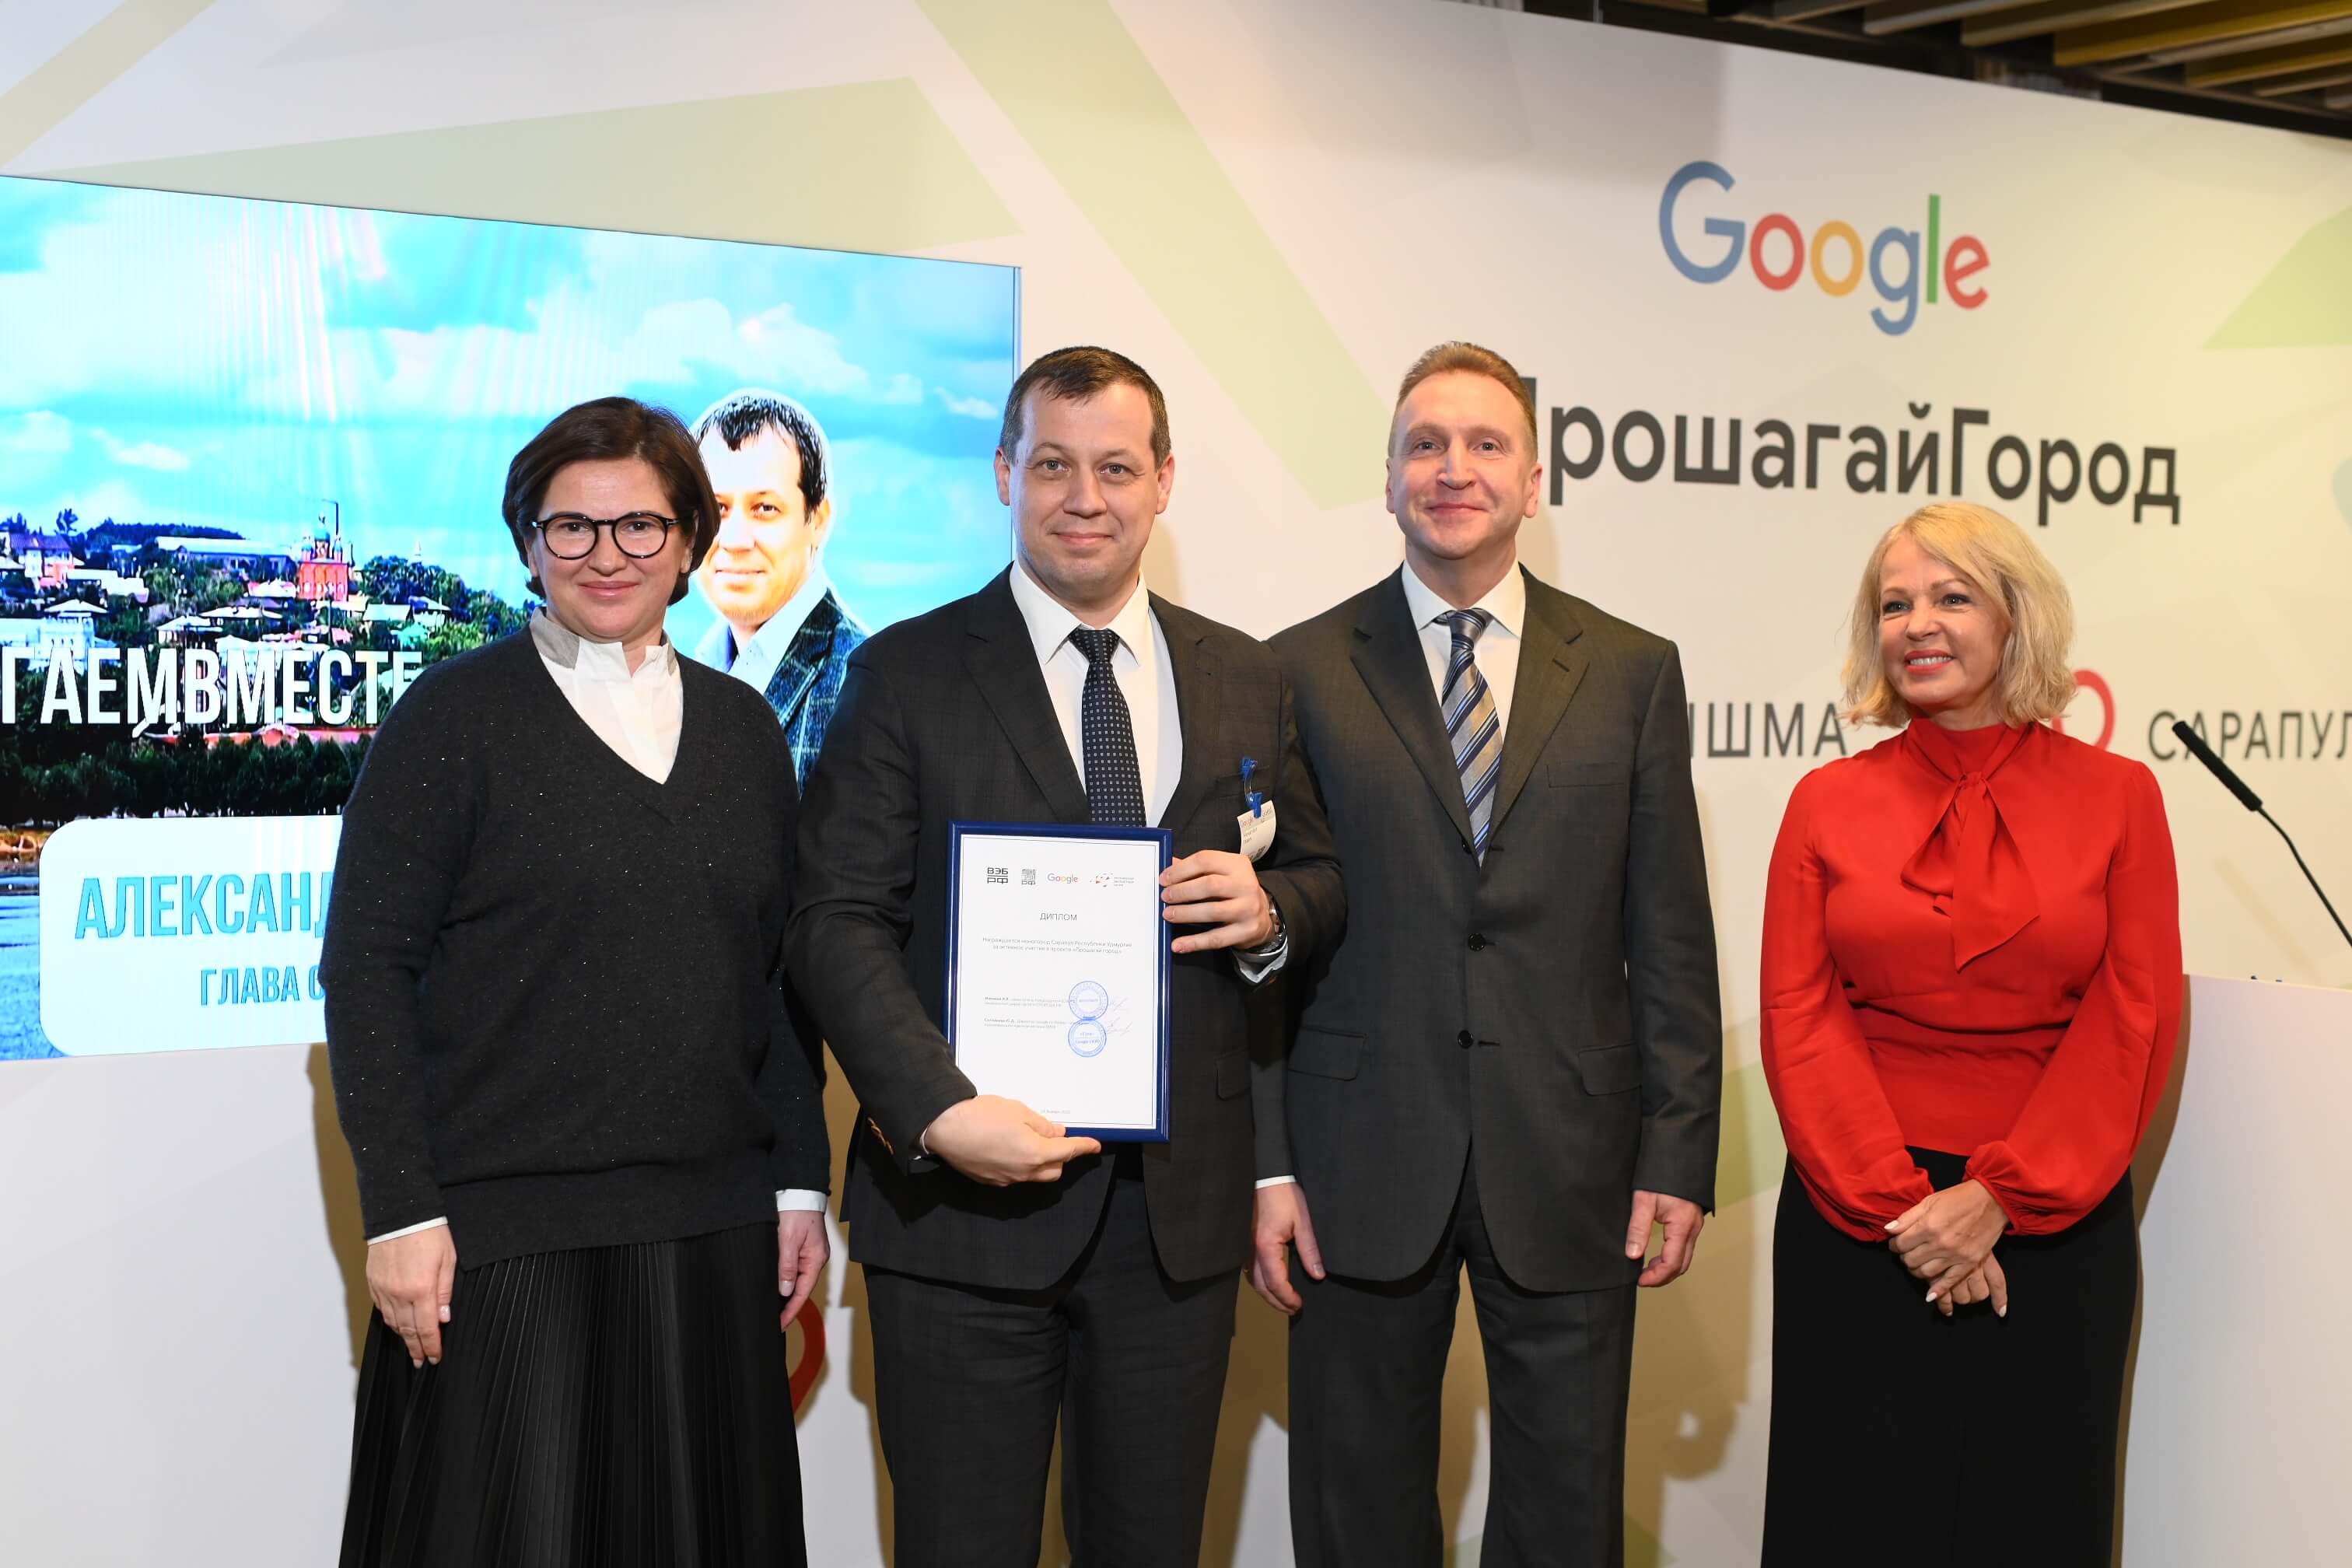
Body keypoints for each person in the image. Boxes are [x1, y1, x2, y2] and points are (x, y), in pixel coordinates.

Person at [786, 346, 1342, 1567]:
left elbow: (1320, 880)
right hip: (959, 1217)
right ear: (1004, 473)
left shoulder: (1246, 677)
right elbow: (832, 920)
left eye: (1116, 468)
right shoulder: (904, 672)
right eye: (1052, 466)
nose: (1085, 497)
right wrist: (939, 1110)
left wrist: (1270, 911)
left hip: (1174, 1225)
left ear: (1164, 483)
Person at [322, 396, 830, 1567]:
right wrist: (400, 1210)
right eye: (572, 527)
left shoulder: (746, 733)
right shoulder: (452, 718)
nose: (608, 555)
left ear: (690, 541)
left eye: (641, 526)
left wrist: (799, 1182)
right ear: (528, 542)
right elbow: (367, 971)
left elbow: (771, 980)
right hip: (503, 1245)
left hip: (712, 1235)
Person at [1259, 342, 1722, 1568]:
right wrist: (1267, 1161)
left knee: (1565, 1518)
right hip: (1355, 1157)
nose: (1452, 469)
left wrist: (1679, 1153)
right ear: (1389, 479)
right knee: (1357, 1517)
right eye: (1425, 445)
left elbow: (1670, 934)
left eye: (1484, 444)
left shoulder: (1632, 671)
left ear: (1533, 480)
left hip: (1574, 1157)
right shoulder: (1296, 669)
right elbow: (1269, 944)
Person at [1759, 502, 2182, 1565]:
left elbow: (2134, 1014)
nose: (1918, 624)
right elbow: (1799, 1014)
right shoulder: (1823, 802)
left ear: (2015, 618)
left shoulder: (2122, 798)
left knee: (2031, 1520)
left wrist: (2002, 1196)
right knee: (1851, 1519)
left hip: (2055, 1225)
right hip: (1860, 1222)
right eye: (1894, 603)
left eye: (1952, 597)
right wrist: (1907, 1213)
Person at [690, 388, 866, 786]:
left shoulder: (865, 684)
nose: (734, 540)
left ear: (818, 520)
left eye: (765, 508)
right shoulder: (684, 674)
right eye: (717, 509)